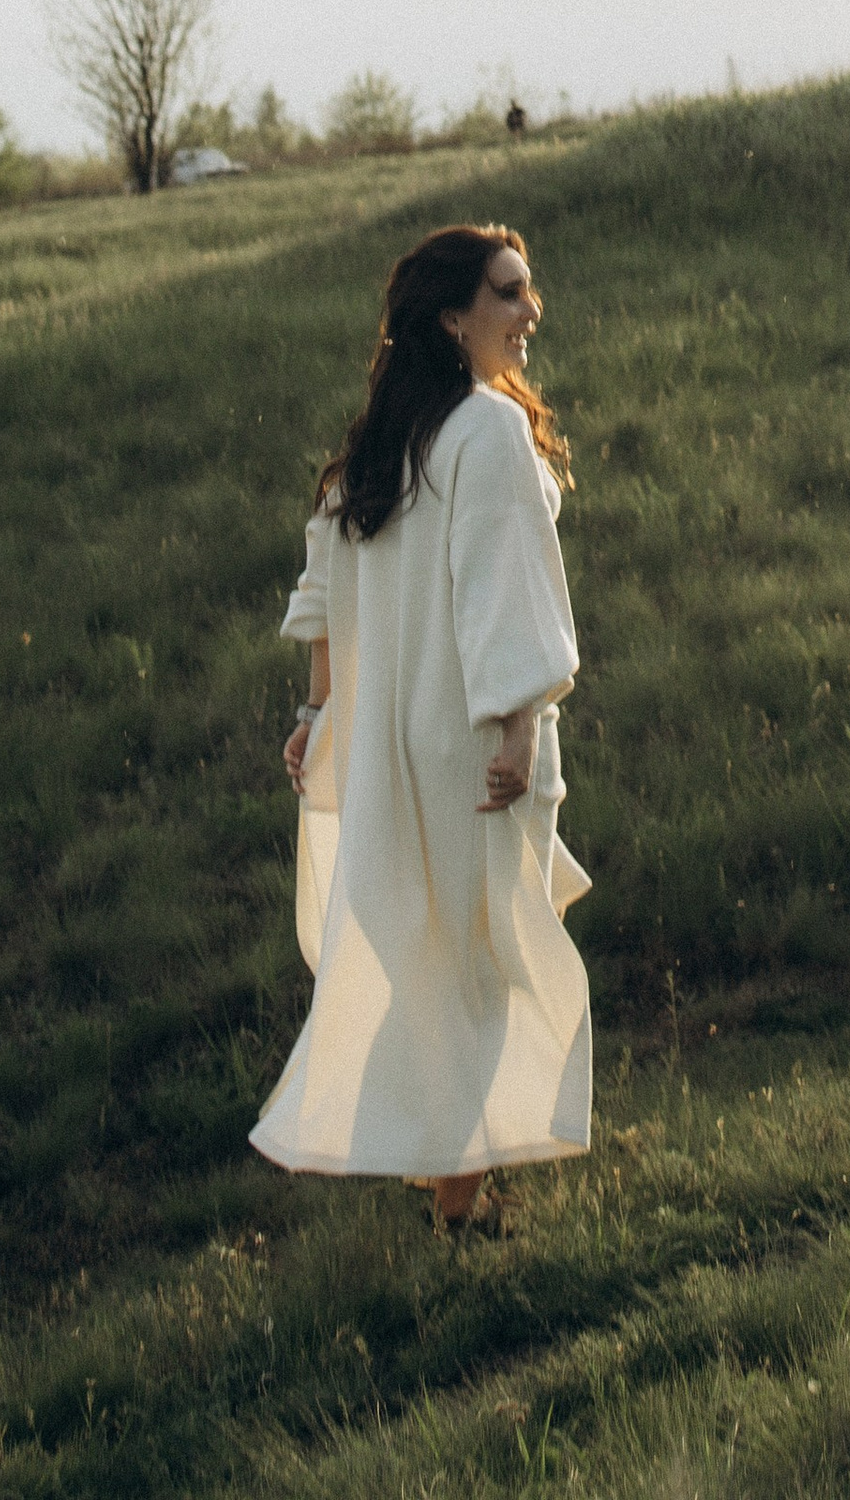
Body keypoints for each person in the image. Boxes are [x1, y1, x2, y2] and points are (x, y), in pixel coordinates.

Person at [249, 223, 590, 1224]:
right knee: (482, 955)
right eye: (508, 294)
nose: (530, 312)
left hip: (396, 742)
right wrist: (521, 723)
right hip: (474, 734)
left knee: (431, 950)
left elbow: (323, 590)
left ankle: (434, 1161)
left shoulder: (382, 445)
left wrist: (317, 713)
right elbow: (506, 590)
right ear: (453, 317)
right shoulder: (482, 429)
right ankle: (457, 1200)